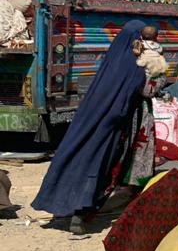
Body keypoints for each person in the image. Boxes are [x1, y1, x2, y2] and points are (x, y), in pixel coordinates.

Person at [33, 21, 158, 234]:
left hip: (87, 120)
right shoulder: (135, 67)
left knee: (75, 156)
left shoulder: (111, 60)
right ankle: (80, 215)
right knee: (98, 164)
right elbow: (137, 95)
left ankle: (59, 204)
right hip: (111, 125)